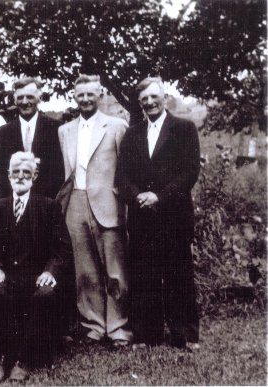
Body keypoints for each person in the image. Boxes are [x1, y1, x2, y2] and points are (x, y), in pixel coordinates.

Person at [117, 77, 200, 350]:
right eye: (144, 99)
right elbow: (123, 175)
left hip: (174, 215)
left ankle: (184, 334)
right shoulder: (133, 133)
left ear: (164, 97)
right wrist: (138, 195)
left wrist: (160, 197)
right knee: (144, 276)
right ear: (139, 103)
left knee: (179, 274)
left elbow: (190, 171)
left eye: (154, 97)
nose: (150, 102)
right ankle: (146, 334)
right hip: (142, 217)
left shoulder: (184, 128)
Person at [0, 152, 73, 382]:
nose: (20, 177)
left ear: (35, 176)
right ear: (8, 175)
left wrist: (50, 271)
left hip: (36, 274)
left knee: (45, 294)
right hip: (7, 273)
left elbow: (62, 249)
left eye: (26, 173)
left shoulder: (48, 207)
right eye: (16, 172)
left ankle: (25, 360)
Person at [57, 75, 132, 346]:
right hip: (75, 202)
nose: (86, 99)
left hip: (107, 203)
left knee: (114, 269)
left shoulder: (116, 126)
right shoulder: (65, 130)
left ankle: (118, 328)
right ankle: (94, 326)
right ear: (74, 97)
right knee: (85, 271)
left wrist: (120, 199)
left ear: (99, 95)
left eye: (91, 94)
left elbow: (126, 169)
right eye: (81, 95)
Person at [0, 77, 64, 199]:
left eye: (30, 97)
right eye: (20, 98)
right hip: (13, 202)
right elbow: (0, 171)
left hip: (47, 202)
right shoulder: (3, 132)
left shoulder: (56, 128)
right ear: (15, 100)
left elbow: (59, 170)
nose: (25, 102)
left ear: (39, 98)